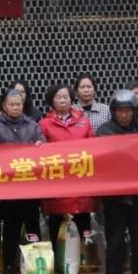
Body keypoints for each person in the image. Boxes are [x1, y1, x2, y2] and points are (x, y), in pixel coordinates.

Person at [96, 90, 138, 274]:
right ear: (113, 112)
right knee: (114, 243)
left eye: (128, 111)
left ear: (135, 112)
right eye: (119, 111)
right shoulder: (103, 132)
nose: (123, 115)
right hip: (115, 199)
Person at [0, 90, 45, 274]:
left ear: (23, 105)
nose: (15, 107)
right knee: (10, 229)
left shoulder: (33, 125)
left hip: (30, 187)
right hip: (9, 189)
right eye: (11, 104)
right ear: (5, 106)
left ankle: (37, 264)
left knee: (33, 227)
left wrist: (40, 146)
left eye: (18, 104)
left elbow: (44, 149)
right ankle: (9, 265)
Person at [40, 84, 94, 247]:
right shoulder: (44, 124)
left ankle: (84, 258)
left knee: (84, 233)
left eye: (66, 97)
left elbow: (94, 149)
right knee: (57, 234)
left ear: (72, 100)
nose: (63, 100)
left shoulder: (84, 122)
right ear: (51, 101)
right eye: (58, 97)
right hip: (57, 184)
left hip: (80, 183)